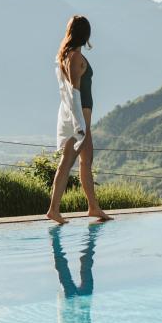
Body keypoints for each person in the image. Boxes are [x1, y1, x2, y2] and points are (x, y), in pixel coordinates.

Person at [47, 15, 111, 224]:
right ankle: (53, 210)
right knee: (67, 162)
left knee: (86, 160)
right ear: (85, 34)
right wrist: (79, 125)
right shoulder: (74, 57)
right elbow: (74, 93)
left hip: (82, 117)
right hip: (80, 118)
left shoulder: (69, 55)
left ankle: (93, 207)